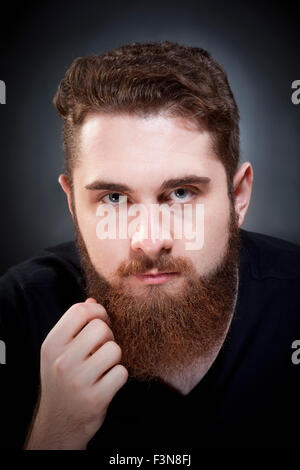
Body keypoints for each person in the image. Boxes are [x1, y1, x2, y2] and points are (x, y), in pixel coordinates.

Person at [0, 40, 299, 451]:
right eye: (114, 199)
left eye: (181, 193)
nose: (149, 240)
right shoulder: (17, 310)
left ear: (239, 197)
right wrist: (56, 433)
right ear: (72, 204)